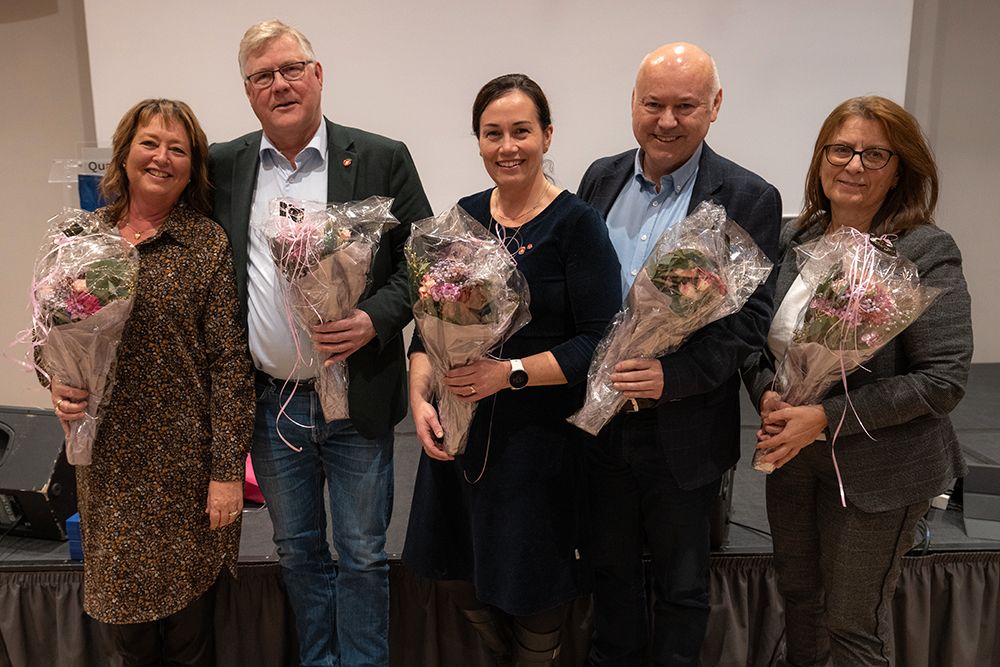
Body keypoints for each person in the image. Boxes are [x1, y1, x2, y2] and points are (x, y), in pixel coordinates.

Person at [207, 19, 432, 667]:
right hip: (270, 404)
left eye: (290, 69)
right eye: (262, 76)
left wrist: (375, 319)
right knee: (298, 550)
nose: (279, 84)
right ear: (248, 92)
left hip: (358, 394)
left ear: (317, 74)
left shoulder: (382, 155)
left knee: (361, 552)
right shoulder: (223, 164)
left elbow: (428, 262)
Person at [742, 96, 972, 666]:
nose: (854, 165)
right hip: (792, 460)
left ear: (901, 168)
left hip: (881, 470)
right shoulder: (792, 238)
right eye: (841, 149)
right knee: (800, 598)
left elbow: (943, 380)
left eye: (875, 154)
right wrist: (767, 393)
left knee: (851, 623)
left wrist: (824, 417)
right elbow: (751, 341)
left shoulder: (925, 250)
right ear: (821, 159)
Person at [403, 73, 621, 665]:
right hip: (460, 430)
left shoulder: (577, 224)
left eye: (521, 131)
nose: (508, 146)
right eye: (492, 133)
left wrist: (509, 374)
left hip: (539, 439)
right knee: (456, 572)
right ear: (477, 141)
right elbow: (427, 328)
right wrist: (419, 396)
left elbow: (599, 342)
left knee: (533, 585)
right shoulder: (462, 220)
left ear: (547, 135)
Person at [576, 43, 781, 665]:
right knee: (608, 578)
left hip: (684, 428)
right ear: (633, 104)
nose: (666, 121)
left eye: (685, 106)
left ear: (714, 106)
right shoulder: (600, 177)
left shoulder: (749, 196)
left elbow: (750, 320)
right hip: (601, 424)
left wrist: (673, 377)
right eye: (653, 104)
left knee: (683, 589)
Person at [48, 98, 254, 665]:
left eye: (178, 148)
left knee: (190, 638)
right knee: (129, 638)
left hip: (186, 471)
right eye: (150, 143)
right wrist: (55, 382)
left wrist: (225, 473)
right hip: (108, 467)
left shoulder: (206, 243)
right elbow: (49, 335)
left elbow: (230, 366)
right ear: (125, 152)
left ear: (192, 167)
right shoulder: (79, 237)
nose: (162, 157)